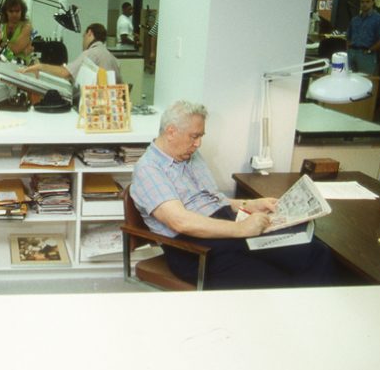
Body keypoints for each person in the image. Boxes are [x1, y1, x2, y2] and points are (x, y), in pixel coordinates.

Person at [129, 100, 337, 290]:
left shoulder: (189, 154)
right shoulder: (149, 169)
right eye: (195, 136)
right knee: (278, 281)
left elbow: (211, 201)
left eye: (201, 136)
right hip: (193, 249)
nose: (198, 144)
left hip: (226, 229)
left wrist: (250, 204)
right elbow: (181, 222)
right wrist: (241, 228)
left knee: (315, 252)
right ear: (171, 132)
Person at [19, 23, 121, 84]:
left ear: (89, 33)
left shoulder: (92, 53)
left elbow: (66, 73)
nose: (83, 41)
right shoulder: (108, 54)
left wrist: (40, 66)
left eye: (83, 36)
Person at [0, 0, 35, 104]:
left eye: (17, 11)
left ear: (22, 11)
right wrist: (2, 44)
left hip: (19, 69)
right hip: (2, 68)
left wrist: (2, 43)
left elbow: (16, 49)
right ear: (6, 12)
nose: (14, 14)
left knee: (17, 105)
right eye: (11, 11)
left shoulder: (26, 27)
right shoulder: (0, 26)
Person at [346, 0, 380, 74]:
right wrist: (348, 50)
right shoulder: (355, 20)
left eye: (368, 1)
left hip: (366, 54)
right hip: (351, 53)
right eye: (362, 2)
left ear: (373, 3)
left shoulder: (379, 19)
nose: (364, 4)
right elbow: (348, 36)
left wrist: (370, 50)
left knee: (365, 81)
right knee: (348, 80)